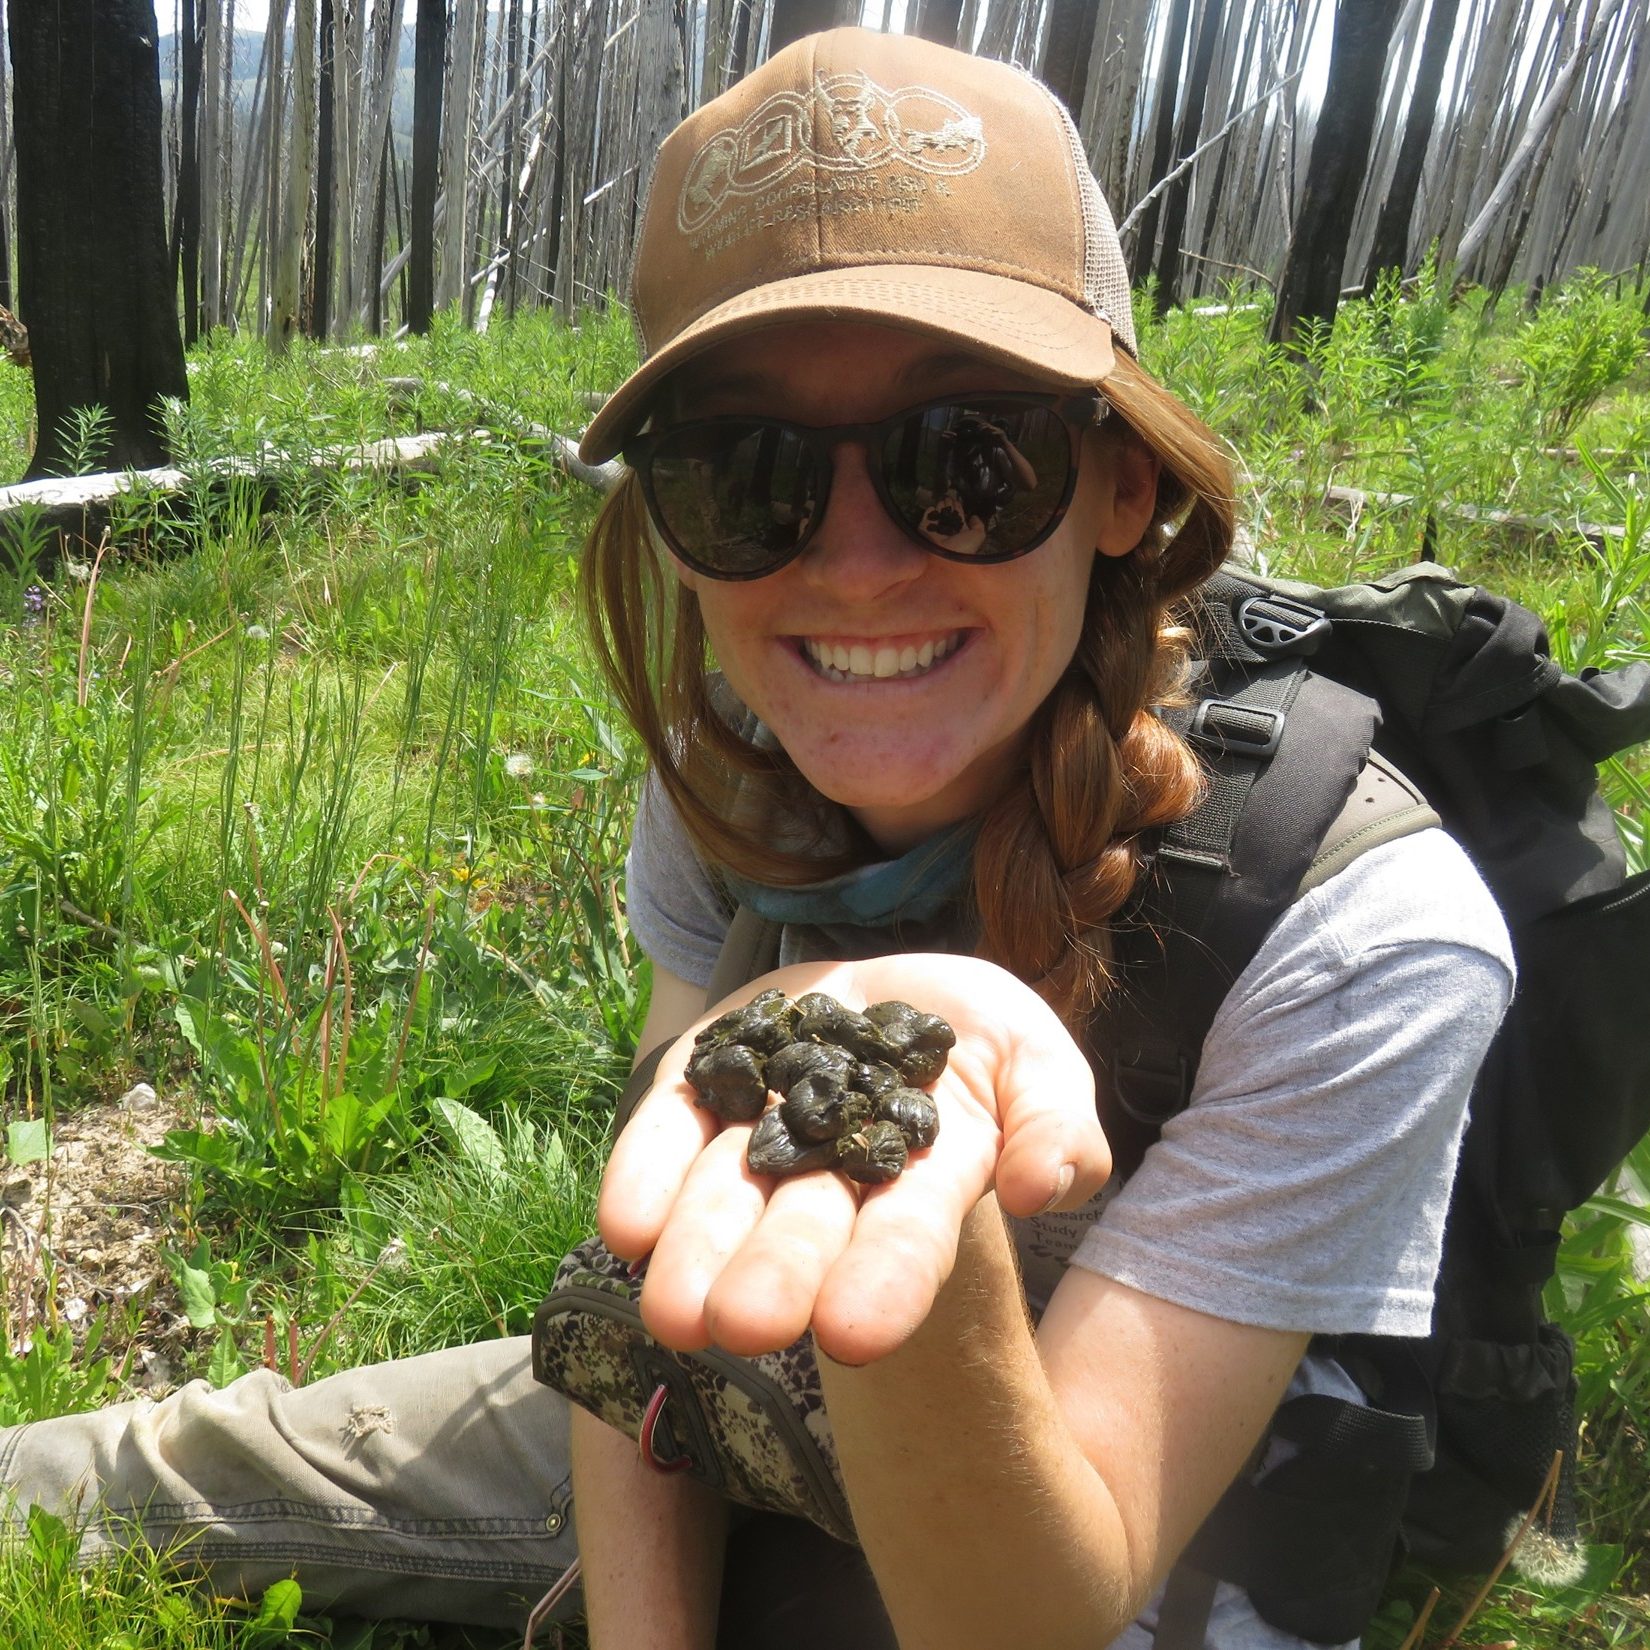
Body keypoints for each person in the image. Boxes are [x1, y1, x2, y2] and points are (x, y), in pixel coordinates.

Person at [0, 28, 1514, 1650]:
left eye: (967, 460)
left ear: (1120, 483)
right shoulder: (733, 780)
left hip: (1136, 1525)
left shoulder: (1362, 927)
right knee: (139, 1476)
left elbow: (1036, 1613)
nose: (853, 564)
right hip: (759, 1403)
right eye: (743, 473)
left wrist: (908, 1208)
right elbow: (638, 1318)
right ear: (666, 524)